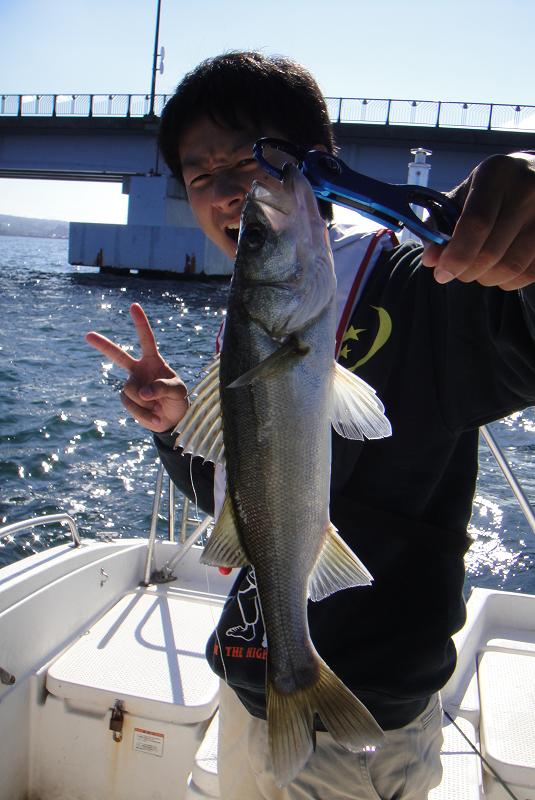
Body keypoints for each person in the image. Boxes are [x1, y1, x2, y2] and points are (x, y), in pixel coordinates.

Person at [86, 52, 535, 800]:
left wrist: (527, 186)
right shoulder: (253, 321)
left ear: (317, 163)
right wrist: (176, 425)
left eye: (248, 161)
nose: (228, 193)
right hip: (250, 687)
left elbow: (519, 329)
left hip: (362, 725)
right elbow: (242, 496)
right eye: (200, 176)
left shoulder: (423, 284)